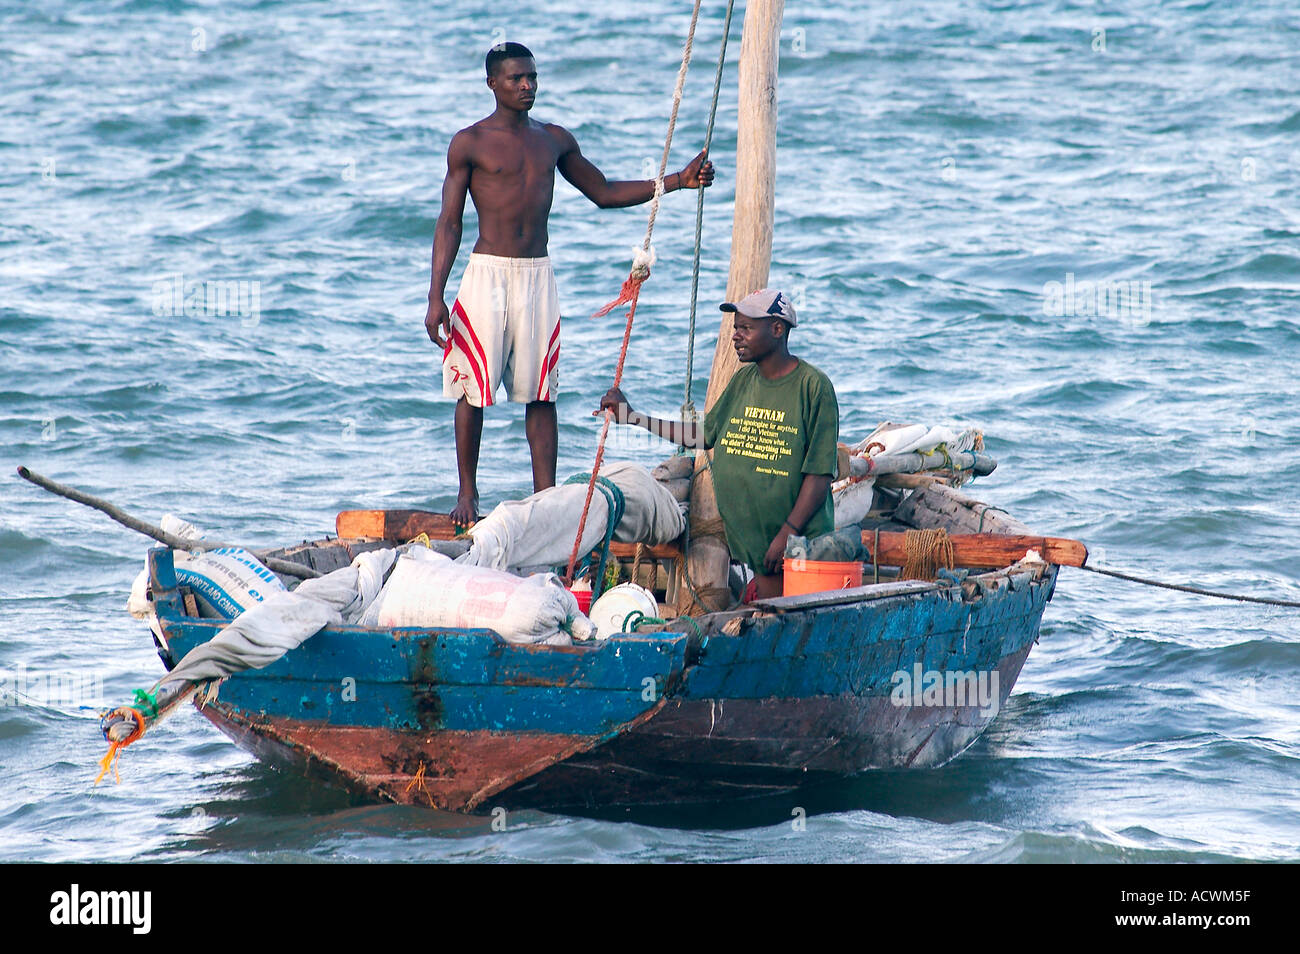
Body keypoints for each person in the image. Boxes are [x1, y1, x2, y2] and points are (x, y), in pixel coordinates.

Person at [425, 42, 715, 528]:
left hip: (538, 275)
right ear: (492, 83)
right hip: (486, 275)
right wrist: (435, 296)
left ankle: (548, 498)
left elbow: (602, 192)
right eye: (516, 78)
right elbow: (449, 222)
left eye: (532, 77)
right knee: (472, 389)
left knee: (542, 393)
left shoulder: (553, 139)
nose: (527, 86)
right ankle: (467, 494)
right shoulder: (468, 143)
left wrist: (676, 182)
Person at [598, 288, 839, 600]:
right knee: (770, 617)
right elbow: (702, 434)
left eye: (746, 328)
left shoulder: (813, 387)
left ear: (778, 329)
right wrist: (633, 417)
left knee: (796, 620)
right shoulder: (742, 382)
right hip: (760, 546)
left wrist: (787, 533)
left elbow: (819, 475)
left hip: (800, 546)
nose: (736, 336)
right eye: (735, 328)